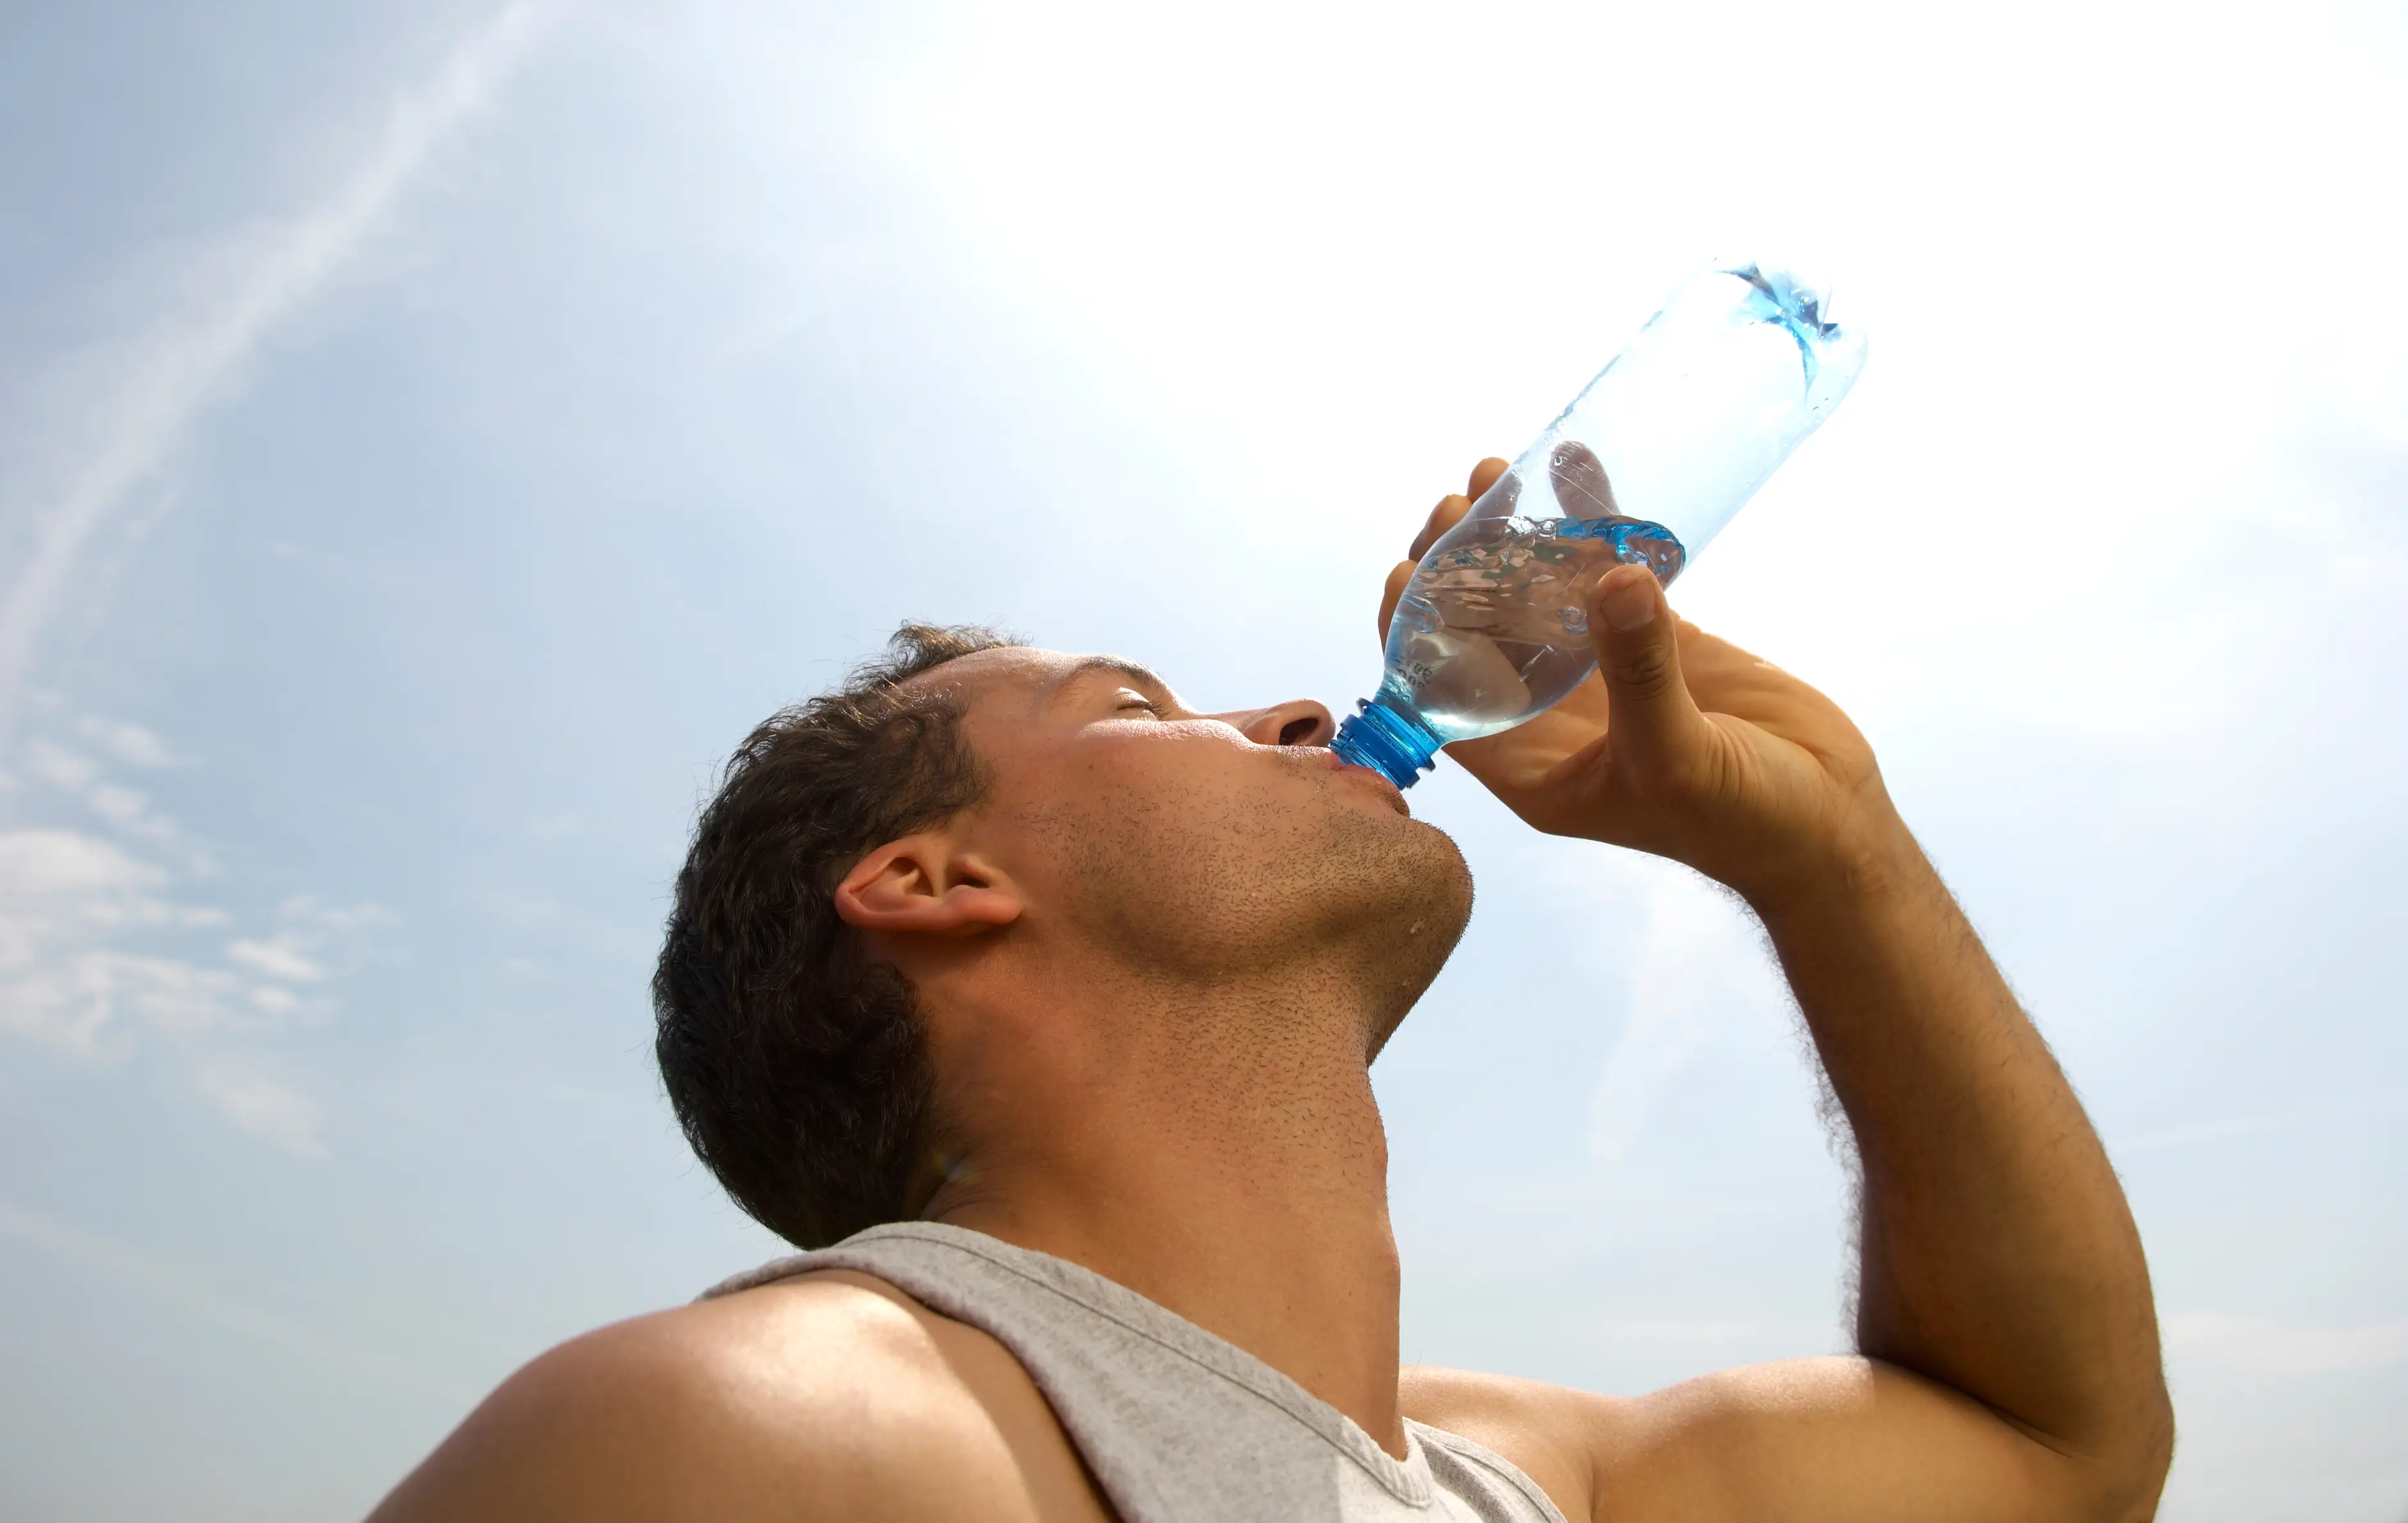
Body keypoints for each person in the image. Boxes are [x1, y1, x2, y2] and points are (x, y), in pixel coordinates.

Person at [369, 460, 2174, 1522]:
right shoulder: (769, 1440)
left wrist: (1829, 850)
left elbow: (2060, 1448)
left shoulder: (1509, 1478)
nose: (1306, 712)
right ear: (936, 884)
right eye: (1139, 703)